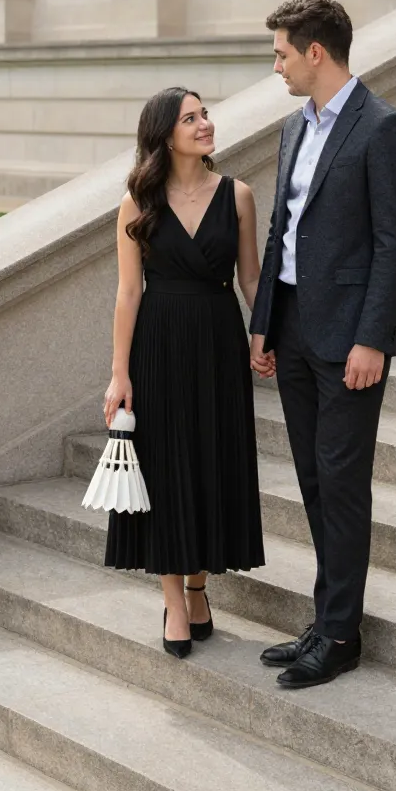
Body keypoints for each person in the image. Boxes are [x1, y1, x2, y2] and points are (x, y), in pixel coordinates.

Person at [249, 0, 396, 689]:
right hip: (291, 331)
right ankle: (324, 619)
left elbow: (395, 242)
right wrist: (262, 322)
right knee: (315, 481)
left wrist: (372, 339)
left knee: (343, 485)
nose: (278, 68)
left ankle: (342, 635)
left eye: (281, 54)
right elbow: (279, 231)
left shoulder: (384, 129)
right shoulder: (294, 129)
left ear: (315, 52)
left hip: (350, 340)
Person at [104, 87, 266, 657]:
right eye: (190, 118)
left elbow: (251, 279)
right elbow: (128, 293)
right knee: (167, 468)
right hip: (160, 346)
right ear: (164, 135)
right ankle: (174, 598)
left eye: (205, 115)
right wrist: (119, 374)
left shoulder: (238, 195)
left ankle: (199, 585)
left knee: (212, 462)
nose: (205, 125)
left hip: (219, 342)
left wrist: (262, 333)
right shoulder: (137, 203)